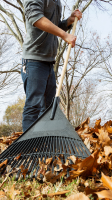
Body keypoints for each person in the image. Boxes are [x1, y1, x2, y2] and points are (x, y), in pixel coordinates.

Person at [21, 0, 82, 132]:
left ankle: (44, 144)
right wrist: (65, 35)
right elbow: (35, 17)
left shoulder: (56, 2)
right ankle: (28, 149)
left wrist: (69, 21)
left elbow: (54, 26)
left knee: (48, 109)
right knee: (34, 106)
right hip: (34, 60)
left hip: (49, 62)